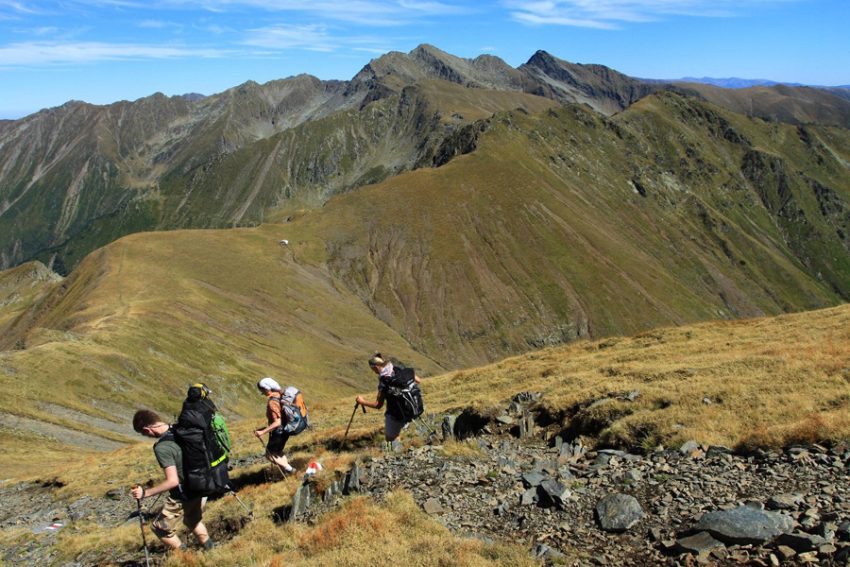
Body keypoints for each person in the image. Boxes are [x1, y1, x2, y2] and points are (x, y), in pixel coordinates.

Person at [131, 409, 213, 551]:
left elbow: (173, 481)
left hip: (183, 494)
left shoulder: (162, 447)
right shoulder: (181, 429)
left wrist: (145, 493)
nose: (146, 436)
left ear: (147, 429)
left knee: (160, 529)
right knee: (192, 520)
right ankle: (211, 550)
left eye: (143, 433)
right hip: (202, 483)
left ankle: (187, 558)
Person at [355, 353, 423, 447]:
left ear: (375, 367)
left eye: (372, 369)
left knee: (390, 440)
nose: (373, 371)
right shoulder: (397, 369)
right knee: (397, 433)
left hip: (395, 414)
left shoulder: (384, 381)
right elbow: (418, 380)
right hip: (413, 406)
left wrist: (361, 401)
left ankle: (397, 453)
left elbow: (378, 405)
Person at [254, 377, 295, 473]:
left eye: (263, 391)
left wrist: (262, 432)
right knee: (278, 452)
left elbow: (277, 422)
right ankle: (286, 471)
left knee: (270, 455)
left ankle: (291, 470)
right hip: (285, 429)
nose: (263, 394)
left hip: (278, 432)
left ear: (267, 389)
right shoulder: (281, 396)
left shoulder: (272, 402)